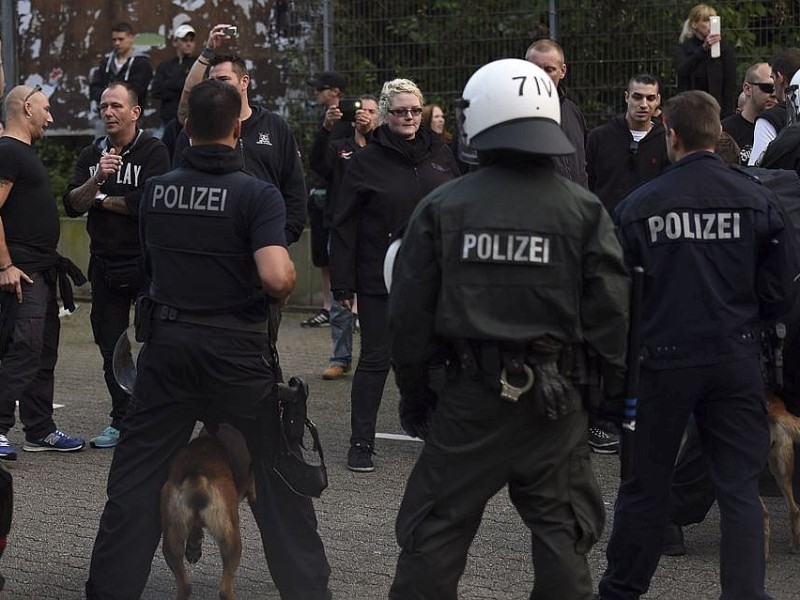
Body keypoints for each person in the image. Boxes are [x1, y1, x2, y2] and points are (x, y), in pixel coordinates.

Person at [387, 58, 630, 599]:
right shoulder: (585, 211)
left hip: (469, 399)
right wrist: (608, 400)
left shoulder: (443, 208)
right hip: (557, 405)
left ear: (479, 119)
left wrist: (418, 395)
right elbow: (612, 316)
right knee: (564, 540)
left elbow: (408, 318)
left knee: (435, 534)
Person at [85, 78, 332, 600]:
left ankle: (109, 589)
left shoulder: (155, 190)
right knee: (276, 472)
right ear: (239, 128)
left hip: (168, 348)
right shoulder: (257, 194)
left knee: (136, 474)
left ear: (186, 127)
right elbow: (277, 277)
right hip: (238, 355)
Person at [597, 90, 798, 600]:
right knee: (739, 490)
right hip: (736, 360)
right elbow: (779, 291)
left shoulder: (639, 206)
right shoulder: (759, 199)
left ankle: (621, 589)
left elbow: (612, 296)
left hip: (662, 363)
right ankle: (746, 593)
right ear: (717, 134)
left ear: (673, 135)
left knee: (645, 486)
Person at [330, 78, 460, 472]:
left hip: (434, 280)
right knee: (375, 359)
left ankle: (439, 435)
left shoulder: (442, 155)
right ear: (385, 116)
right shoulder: (365, 162)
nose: (408, 117)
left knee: (438, 360)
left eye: (415, 110)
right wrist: (343, 284)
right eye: (400, 111)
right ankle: (361, 443)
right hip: (378, 280)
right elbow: (344, 224)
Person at [63, 82, 171, 449]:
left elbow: (147, 203)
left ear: (135, 112)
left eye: (116, 106)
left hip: (145, 262)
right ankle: (121, 419)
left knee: (155, 342)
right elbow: (73, 203)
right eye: (104, 106)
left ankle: (157, 418)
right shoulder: (92, 153)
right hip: (104, 264)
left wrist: (102, 199)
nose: (108, 113)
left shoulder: (155, 152)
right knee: (109, 344)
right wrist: (97, 180)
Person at [584, 72, 669, 454]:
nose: (643, 104)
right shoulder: (600, 138)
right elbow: (590, 189)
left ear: (659, 102)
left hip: (650, 254)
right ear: (626, 97)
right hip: (606, 251)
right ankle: (602, 419)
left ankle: (635, 414)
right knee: (607, 335)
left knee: (644, 335)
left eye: (650, 98)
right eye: (637, 97)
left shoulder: (666, 142)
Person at [0, 85, 86, 459]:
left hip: (41, 270)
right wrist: (5, 265)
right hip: (21, 270)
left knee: (44, 351)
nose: (50, 118)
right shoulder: (7, 151)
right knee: (25, 347)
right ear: (27, 107)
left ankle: (40, 429)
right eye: (47, 110)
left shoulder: (21, 153)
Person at [175, 26, 306, 248]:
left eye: (224, 79)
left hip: (266, 245)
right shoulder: (197, 129)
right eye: (212, 81)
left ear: (244, 82)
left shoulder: (275, 126)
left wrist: (279, 239)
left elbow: (295, 189)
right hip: (212, 248)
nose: (217, 86)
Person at [309, 94, 379, 380]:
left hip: (376, 231)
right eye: (363, 111)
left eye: (373, 112)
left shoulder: (383, 147)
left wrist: (374, 134)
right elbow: (317, 164)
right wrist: (326, 128)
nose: (366, 115)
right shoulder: (339, 148)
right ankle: (340, 358)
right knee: (341, 299)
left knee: (378, 297)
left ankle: (378, 357)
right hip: (342, 232)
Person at [302, 71, 350, 329]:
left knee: (341, 255)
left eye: (320, 89)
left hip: (343, 196)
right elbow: (318, 159)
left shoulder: (350, 120)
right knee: (322, 255)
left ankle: (351, 309)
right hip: (323, 194)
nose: (316, 93)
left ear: (335, 92)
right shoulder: (326, 120)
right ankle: (327, 307)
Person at [525, 38, 589, 188]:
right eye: (535, 69)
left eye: (549, 69)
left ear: (562, 71)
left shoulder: (573, 111)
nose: (541, 76)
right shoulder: (515, 114)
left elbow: (582, 166)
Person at [671, 4, 736, 118]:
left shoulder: (724, 51)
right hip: (690, 110)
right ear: (694, 24)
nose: (710, 25)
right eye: (706, 21)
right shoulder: (683, 49)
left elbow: (729, 85)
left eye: (713, 21)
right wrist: (703, 50)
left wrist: (727, 115)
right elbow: (683, 70)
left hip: (716, 111)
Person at [748, 47, 800, 165]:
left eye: (772, 78)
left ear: (780, 77)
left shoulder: (769, 119)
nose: (772, 90)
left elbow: (757, 170)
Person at [89, 23, 153, 113]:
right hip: (106, 114)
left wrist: (111, 96)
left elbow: (137, 91)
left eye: (121, 39)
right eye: (114, 40)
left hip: (131, 115)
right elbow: (95, 87)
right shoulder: (106, 62)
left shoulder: (141, 63)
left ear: (131, 38)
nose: (117, 43)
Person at [721, 62, 777, 165]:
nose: (774, 94)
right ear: (747, 89)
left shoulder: (783, 128)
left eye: (777, 87)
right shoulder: (725, 130)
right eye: (767, 87)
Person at [150, 24, 197, 132]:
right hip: (168, 120)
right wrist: (182, 84)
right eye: (184, 40)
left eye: (191, 40)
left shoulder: (197, 65)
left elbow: (196, 89)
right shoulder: (165, 66)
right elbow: (156, 91)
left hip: (191, 121)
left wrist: (169, 84)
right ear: (175, 42)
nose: (188, 44)